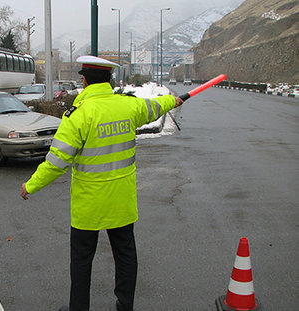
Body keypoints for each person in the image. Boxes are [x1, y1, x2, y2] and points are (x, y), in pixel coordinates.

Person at [20, 55, 184, 311]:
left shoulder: (78, 115)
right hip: (122, 202)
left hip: (89, 207)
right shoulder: (127, 107)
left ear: (84, 80)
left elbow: (56, 161)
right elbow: (153, 106)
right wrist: (172, 100)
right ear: (109, 80)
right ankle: (125, 306)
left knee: (82, 262)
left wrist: (31, 185)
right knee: (126, 256)